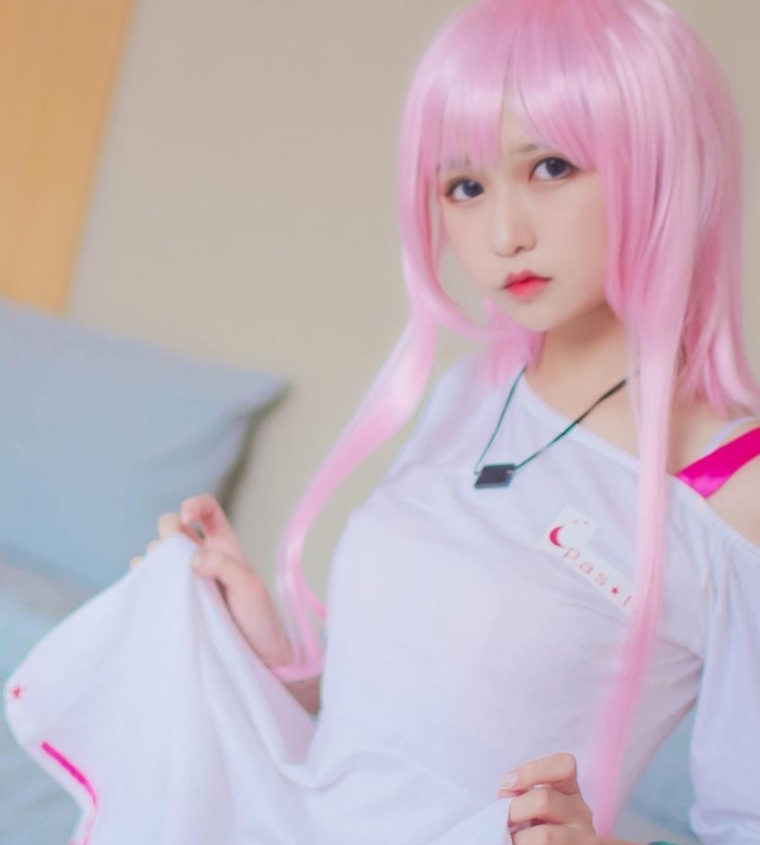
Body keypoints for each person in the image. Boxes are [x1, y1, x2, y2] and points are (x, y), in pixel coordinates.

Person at [6, 0, 760, 843]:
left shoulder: (735, 490)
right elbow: (394, 743)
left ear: (662, 161)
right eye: (465, 186)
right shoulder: (475, 390)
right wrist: (275, 654)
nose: (503, 232)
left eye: (551, 167)